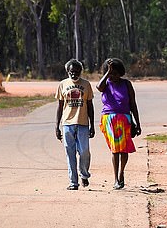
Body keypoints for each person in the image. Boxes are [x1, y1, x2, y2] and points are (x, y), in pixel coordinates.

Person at [96, 57, 141, 190]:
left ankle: (122, 174)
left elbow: (133, 104)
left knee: (124, 149)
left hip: (125, 119)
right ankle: (116, 178)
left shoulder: (126, 84)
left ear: (120, 72)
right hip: (109, 119)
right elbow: (99, 87)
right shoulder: (105, 84)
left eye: (115, 73)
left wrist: (137, 123)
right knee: (115, 150)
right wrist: (107, 73)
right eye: (111, 73)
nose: (113, 76)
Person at [55, 59, 95, 190]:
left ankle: (84, 174)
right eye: (71, 72)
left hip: (83, 123)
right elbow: (60, 107)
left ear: (81, 72)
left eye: (77, 72)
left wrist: (92, 125)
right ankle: (73, 182)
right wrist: (57, 126)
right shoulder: (62, 84)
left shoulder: (86, 84)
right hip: (67, 123)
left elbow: (90, 105)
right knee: (70, 152)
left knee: (84, 152)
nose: (74, 74)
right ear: (68, 71)